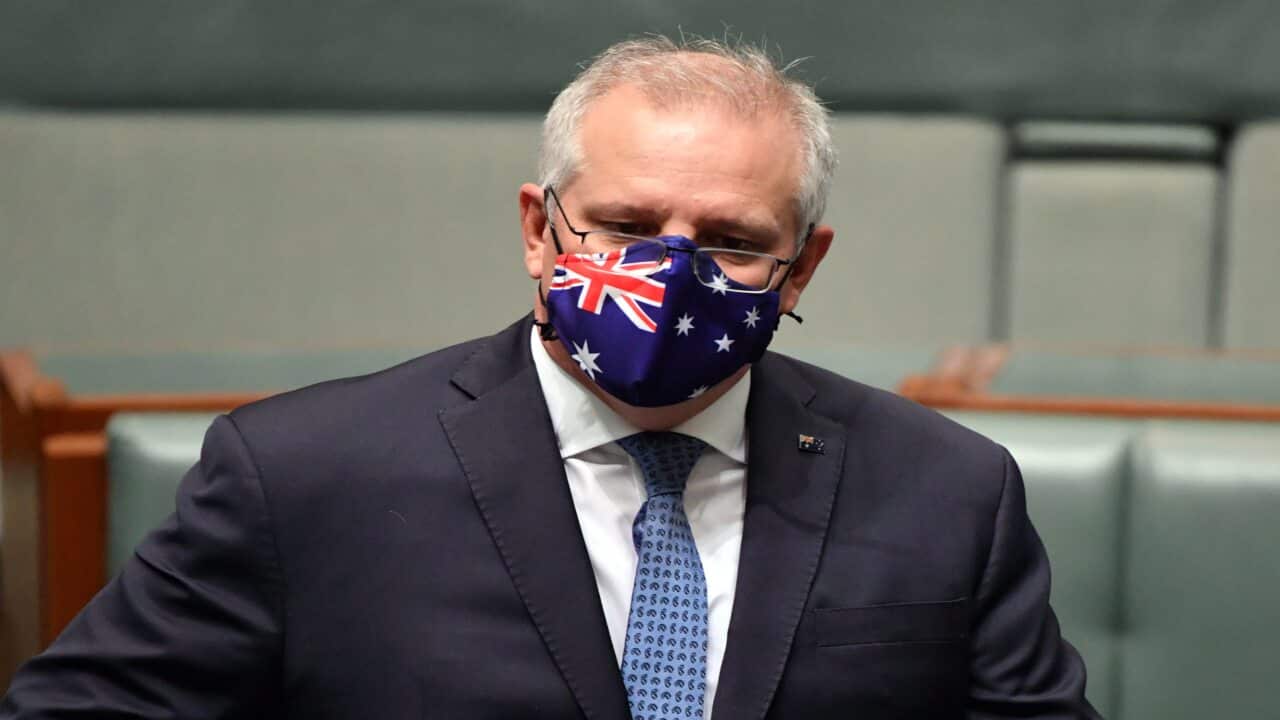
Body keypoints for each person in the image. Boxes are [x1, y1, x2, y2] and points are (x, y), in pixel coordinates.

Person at [1, 36, 1099, 719]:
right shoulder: (300, 476)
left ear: (802, 265)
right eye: (624, 225)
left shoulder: (944, 490)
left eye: (728, 241)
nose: (668, 274)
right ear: (539, 231)